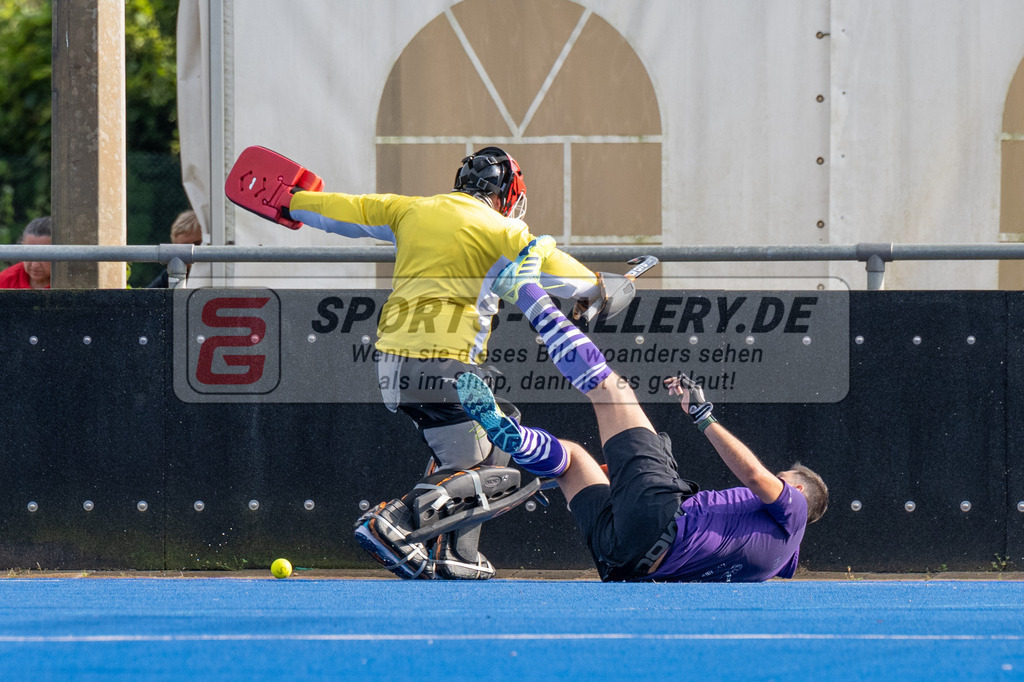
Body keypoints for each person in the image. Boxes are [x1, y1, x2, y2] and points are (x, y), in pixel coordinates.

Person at [272, 147, 621, 579]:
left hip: (393, 366)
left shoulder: (409, 210)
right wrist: (610, 287)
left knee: (478, 452)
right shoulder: (506, 231)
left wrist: (291, 200)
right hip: (447, 365)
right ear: (507, 194)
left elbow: (342, 210)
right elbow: (578, 282)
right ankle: (395, 521)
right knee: (501, 452)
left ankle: (455, 554)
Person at [454, 237, 829, 582]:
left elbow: (754, 476)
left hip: (660, 521)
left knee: (610, 390)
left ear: (796, 489)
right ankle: (518, 440)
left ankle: (524, 290)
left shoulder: (794, 507)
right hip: (622, 562)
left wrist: (704, 417)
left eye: (783, 480)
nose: (777, 483)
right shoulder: (774, 563)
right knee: (571, 461)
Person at [147, 210, 203, 288]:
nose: (191, 252)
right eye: (185, 247)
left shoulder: (218, 272)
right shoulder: (169, 277)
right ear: (175, 248)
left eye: (198, 244)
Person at [0, 216, 52, 289]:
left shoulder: (68, 282)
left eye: (43, 256)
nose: (35, 265)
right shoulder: (5, 281)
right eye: (28, 254)